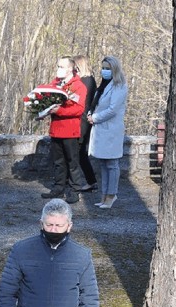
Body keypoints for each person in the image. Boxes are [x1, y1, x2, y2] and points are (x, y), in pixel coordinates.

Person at [40, 55, 87, 205]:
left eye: (61, 67)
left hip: (70, 130)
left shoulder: (79, 86)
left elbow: (78, 110)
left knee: (72, 162)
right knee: (58, 162)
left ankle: (74, 191)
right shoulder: (55, 83)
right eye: (58, 66)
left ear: (70, 69)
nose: (58, 69)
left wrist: (58, 111)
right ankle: (58, 188)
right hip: (56, 129)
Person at [88, 55, 128, 209]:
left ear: (114, 69)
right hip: (101, 129)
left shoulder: (120, 85)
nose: (104, 71)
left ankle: (111, 194)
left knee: (112, 163)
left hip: (111, 129)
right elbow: (98, 104)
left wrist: (95, 118)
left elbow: (112, 109)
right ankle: (104, 195)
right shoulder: (104, 85)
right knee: (104, 163)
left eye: (107, 69)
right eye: (103, 68)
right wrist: (91, 114)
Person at [73, 54, 98, 192]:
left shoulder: (85, 81)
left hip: (82, 121)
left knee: (77, 152)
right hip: (84, 120)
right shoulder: (90, 80)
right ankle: (91, 180)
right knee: (80, 153)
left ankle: (83, 181)